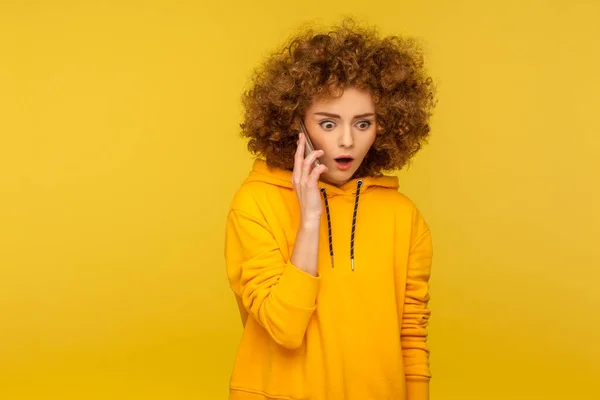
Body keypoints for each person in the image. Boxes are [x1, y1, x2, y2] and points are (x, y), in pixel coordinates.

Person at [224, 19, 436, 400]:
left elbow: (411, 337)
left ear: (383, 127)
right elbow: (284, 328)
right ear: (296, 125)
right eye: (327, 122)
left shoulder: (404, 217)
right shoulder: (255, 202)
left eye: (363, 123)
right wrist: (309, 221)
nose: (346, 140)